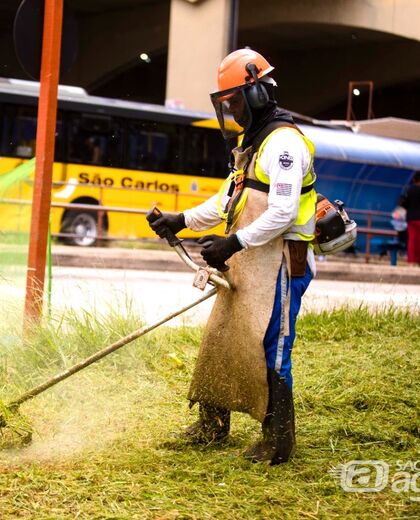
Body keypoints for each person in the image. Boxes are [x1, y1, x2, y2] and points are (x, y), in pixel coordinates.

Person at [148, 48, 316, 465]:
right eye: (227, 103)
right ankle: (212, 426)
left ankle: (278, 442)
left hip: (280, 263)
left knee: (270, 351)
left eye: (236, 100)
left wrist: (233, 244)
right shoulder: (253, 144)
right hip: (251, 259)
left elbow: (282, 211)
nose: (232, 109)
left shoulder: (284, 145)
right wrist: (181, 219)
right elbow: (228, 201)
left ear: (258, 91)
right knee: (222, 338)